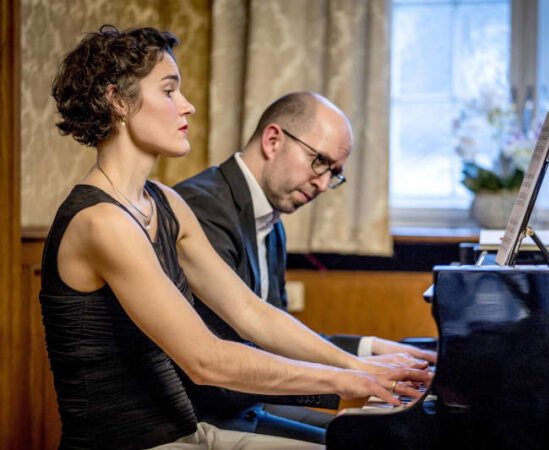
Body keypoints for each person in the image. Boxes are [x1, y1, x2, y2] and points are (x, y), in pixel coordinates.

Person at [41, 25, 431, 450]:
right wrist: (346, 379)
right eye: (169, 91)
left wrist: (357, 364)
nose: (186, 106)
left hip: (190, 432)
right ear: (117, 100)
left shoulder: (167, 203)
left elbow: (251, 312)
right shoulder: (101, 221)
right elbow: (205, 360)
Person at [174, 92, 437, 440]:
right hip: (210, 412)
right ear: (272, 140)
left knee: (386, 435)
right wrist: (355, 374)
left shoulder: (271, 219)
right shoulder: (203, 208)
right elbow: (231, 354)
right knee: (371, 439)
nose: (324, 184)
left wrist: (372, 348)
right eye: (320, 162)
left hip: (248, 402)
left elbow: (276, 336)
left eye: (334, 174)